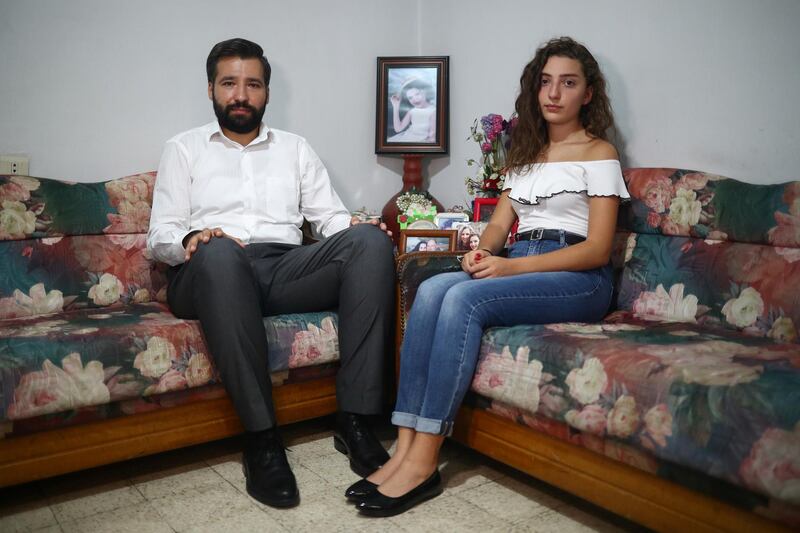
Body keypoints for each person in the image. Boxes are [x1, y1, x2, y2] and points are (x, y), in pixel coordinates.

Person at [347, 36, 630, 517]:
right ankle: (404, 446)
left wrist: (511, 266)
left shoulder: (598, 152)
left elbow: (598, 248)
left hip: (580, 277)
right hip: (521, 258)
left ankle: (427, 459)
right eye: (545, 82)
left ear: (588, 93)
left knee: (463, 302)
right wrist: (483, 253)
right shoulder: (526, 152)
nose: (554, 94)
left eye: (568, 83)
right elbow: (500, 224)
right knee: (434, 288)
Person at [147, 38, 395, 509]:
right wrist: (190, 241)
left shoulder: (295, 149)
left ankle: (357, 419)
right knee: (221, 253)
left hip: (282, 267)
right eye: (229, 83)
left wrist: (356, 227)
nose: (240, 94)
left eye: (252, 84)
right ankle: (262, 439)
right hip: (208, 272)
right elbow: (160, 232)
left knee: (368, 242)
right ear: (211, 90)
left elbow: (329, 218)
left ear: (266, 93)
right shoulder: (183, 148)